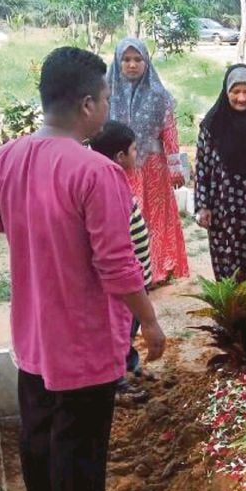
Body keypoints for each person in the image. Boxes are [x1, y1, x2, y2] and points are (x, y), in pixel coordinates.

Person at [0, 46, 166, 491]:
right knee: (82, 439)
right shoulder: (96, 172)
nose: (105, 105)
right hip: (84, 335)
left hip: (32, 331)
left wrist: (34, 225)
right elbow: (118, 267)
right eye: (103, 97)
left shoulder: (6, 157)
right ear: (86, 105)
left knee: (39, 422)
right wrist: (149, 320)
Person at [108, 37, 189, 285]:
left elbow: (171, 133)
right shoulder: (108, 93)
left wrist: (178, 169)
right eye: (126, 59)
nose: (132, 65)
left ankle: (156, 270)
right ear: (118, 62)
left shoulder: (159, 95)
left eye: (137, 59)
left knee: (153, 219)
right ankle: (126, 270)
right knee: (125, 218)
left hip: (153, 167)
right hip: (118, 167)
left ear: (146, 62)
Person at [194, 64, 246, 286]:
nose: (242, 98)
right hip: (222, 210)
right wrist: (203, 205)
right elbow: (202, 167)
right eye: (236, 91)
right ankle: (231, 317)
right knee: (227, 263)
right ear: (226, 91)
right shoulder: (211, 126)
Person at [88, 120, 153, 400]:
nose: (138, 154)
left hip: (138, 277)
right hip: (128, 283)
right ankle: (116, 383)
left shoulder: (114, 180)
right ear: (119, 157)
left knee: (129, 330)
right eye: (135, 150)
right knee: (121, 333)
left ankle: (130, 365)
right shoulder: (109, 187)